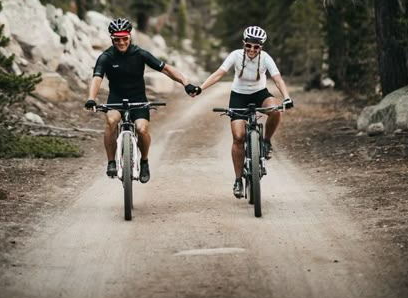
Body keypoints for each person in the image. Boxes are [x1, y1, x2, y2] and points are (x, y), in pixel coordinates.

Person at [85, 17, 199, 183]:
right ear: (112, 39)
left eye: (125, 38)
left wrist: (185, 83)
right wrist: (91, 98)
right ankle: (111, 162)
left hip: (138, 99)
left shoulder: (139, 54)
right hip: (116, 99)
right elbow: (97, 78)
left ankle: (144, 161)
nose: (121, 42)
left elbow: (165, 69)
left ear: (130, 37)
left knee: (142, 128)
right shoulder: (106, 57)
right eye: (117, 39)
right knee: (111, 120)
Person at [198, 25, 293, 198]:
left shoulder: (265, 58)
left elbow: (277, 78)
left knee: (276, 110)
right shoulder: (235, 55)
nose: (252, 50)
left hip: (260, 94)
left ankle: (266, 142)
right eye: (248, 45)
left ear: (261, 47)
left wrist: (286, 97)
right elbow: (219, 74)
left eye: (256, 47)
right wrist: (201, 88)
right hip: (238, 96)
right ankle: (237, 179)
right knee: (239, 137)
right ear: (244, 43)